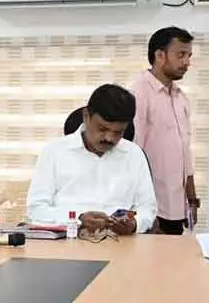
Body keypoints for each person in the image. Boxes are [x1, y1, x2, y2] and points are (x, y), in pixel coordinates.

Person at [26, 84, 157, 236]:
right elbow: (35, 210)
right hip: (68, 242)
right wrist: (78, 219)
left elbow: (148, 208)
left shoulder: (134, 154)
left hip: (121, 244)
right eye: (102, 129)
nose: (109, 138)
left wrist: (135, 224)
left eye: (118, 132)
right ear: (86, 116)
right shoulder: (54, 151)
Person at [130, 26, 198, 234]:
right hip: (152, 209)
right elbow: (134, 155)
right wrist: (142, 212)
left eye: (189, 55)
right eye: (181, 55)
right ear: (159, 55)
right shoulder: (138, 93)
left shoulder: (181, 97)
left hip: (177, 207)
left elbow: (185, 153)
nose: (187, 62)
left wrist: (192, 199)